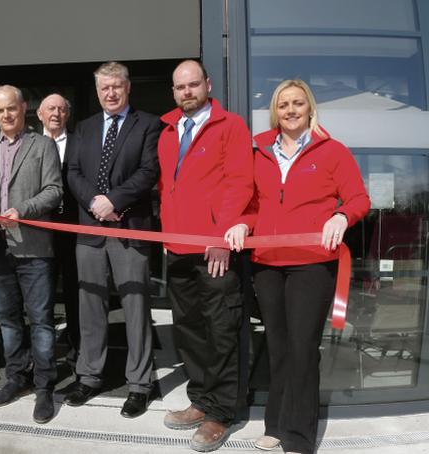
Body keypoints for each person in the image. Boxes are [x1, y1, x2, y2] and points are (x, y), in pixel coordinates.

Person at [224, 79, 370, 454]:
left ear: (310, 108)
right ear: (276, 110)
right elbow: (250, 201)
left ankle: (300, 435)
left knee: (303, 347)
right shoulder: (257, 150)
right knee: (279, 346)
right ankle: (276, 424)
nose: (290, 110)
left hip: (313, 264)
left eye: (298, 104)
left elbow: (358, 197)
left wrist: (341, 216)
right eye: (284, 104)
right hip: (268, 264)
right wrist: (242, 221)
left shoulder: (332, 150)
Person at [157, 59, 254, 451]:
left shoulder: (230, 126)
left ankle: (221, 413)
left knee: (221, 330)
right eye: (181, 87)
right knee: (190, 328)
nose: (187, 92)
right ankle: (202, 399)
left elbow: (239, 182)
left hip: (215, 249)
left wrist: (220, 235)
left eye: (193, 85)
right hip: (178, 246)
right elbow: (166, 185)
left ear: (208, 85)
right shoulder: (168, 130)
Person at [65, 61, 160, 418]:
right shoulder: (85, 128)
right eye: (104, 87)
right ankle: (89, 376)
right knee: (90, 307)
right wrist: (95, 203)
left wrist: (114, 201)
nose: (110, 93)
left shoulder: (148, 124)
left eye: (116, 86)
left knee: (136, 309)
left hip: (130, 228)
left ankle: (139, 385)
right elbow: (72, 172)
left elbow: (149, 171)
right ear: (97, 90)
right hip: (89, 231)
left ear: (128, 87)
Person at [0, 85, 62, 424]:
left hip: (33, 248)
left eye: (12, 108)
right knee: (8, 321)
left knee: (40, 322)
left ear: (24, 107)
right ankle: (16, 378)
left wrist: (20, 210)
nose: (6, 115)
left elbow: (54, 191)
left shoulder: (44, 145)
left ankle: (44, 387)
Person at [37, 93, 80, 371]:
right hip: (38, 232)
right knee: (40, 297)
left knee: (76, 293)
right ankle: (42, 356)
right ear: (39, 114)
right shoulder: (29, 143)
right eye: (50, 108)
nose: (56, 113)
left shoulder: (80, 143)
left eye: (62, 109)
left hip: (73, 230)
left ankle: (78, 350)